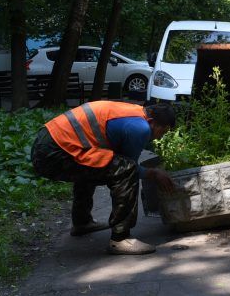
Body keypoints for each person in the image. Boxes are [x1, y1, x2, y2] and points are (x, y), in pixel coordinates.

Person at [30, 100, 178, 255]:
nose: (160, 137)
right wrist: (153, 173)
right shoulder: (140, 128)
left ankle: (82, 222)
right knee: (125, 169)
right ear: (152, 122)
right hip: (53, 154)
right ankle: (121, 239)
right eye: (163, 131)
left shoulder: (134, 111)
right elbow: (129, 167)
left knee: (97, 160)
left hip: (47, 144)